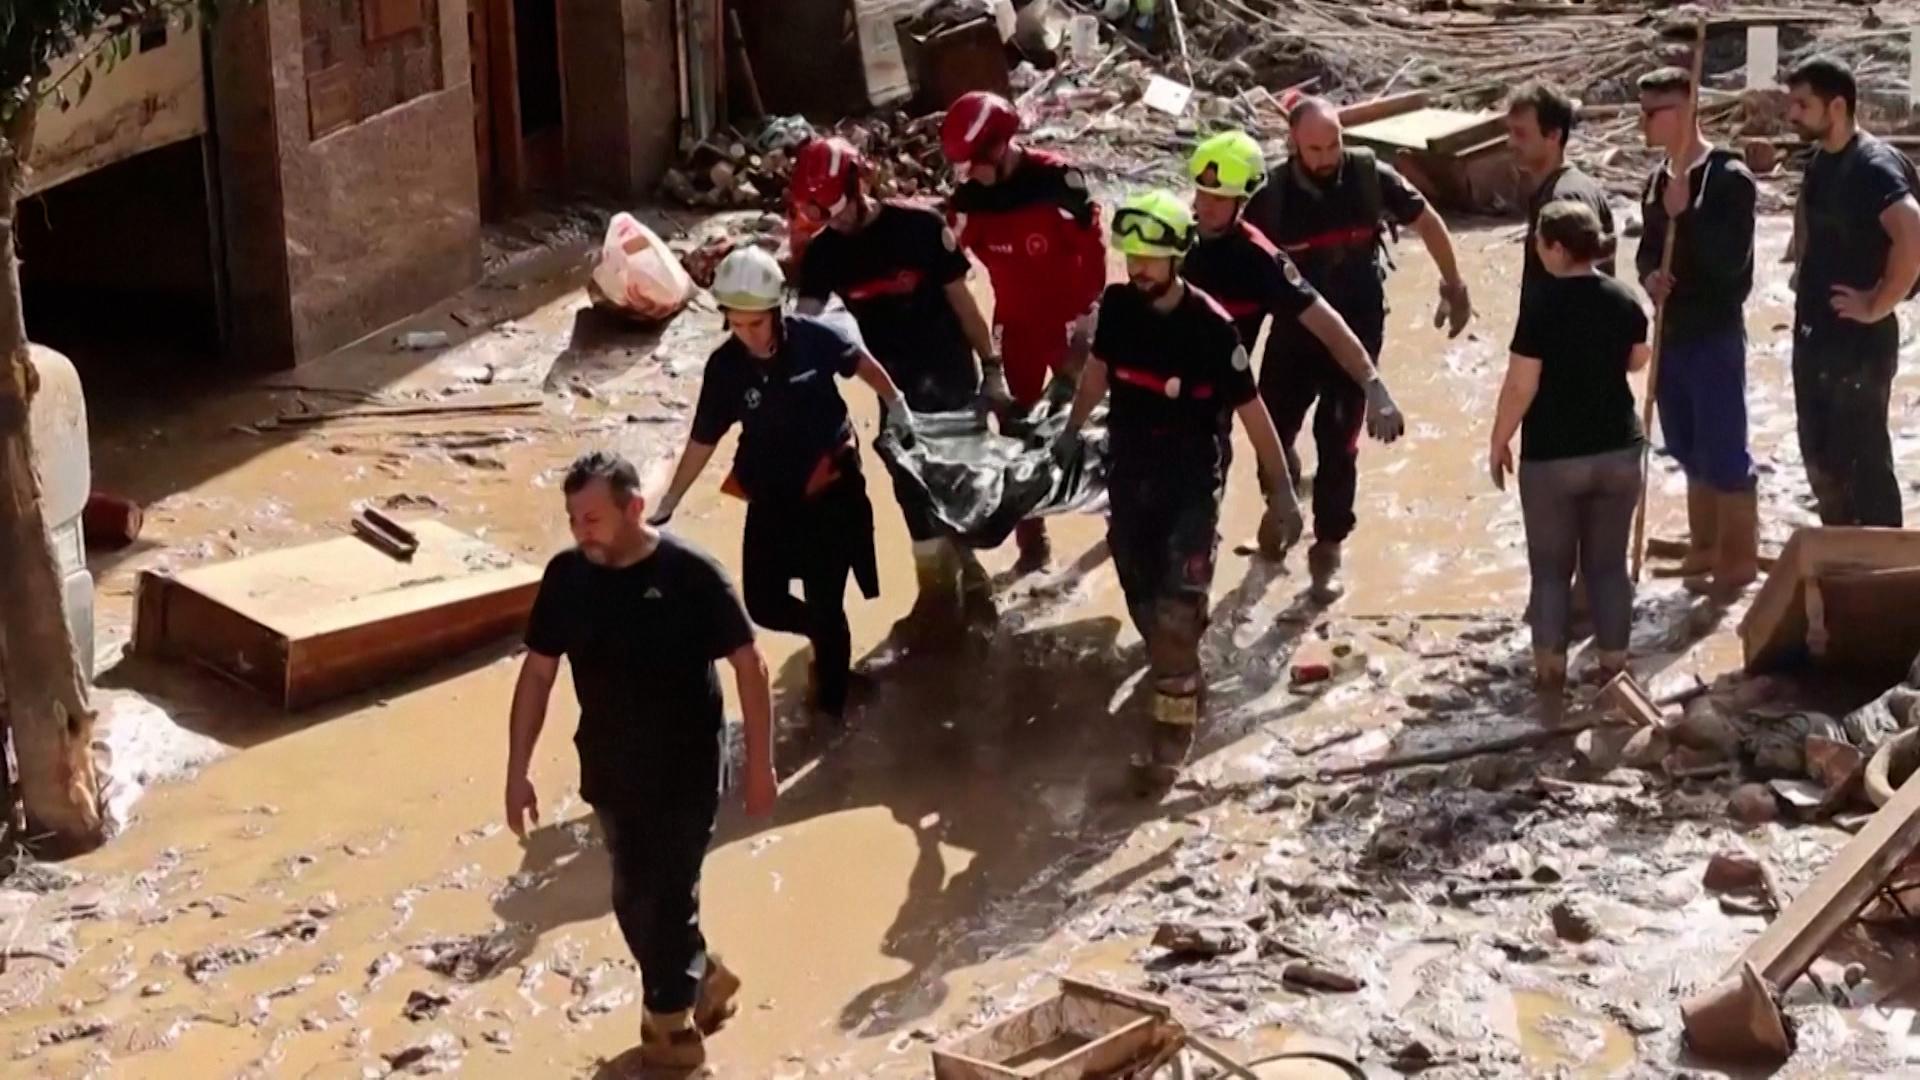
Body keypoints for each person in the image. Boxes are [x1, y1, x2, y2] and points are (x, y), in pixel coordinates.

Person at [506, 451, 775, 1068]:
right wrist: (517, 770)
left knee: (671, 893)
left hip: (687, 766)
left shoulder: (691, 575)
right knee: (632, 898)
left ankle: (670, 1033)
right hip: (610, 764)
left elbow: (750, 666)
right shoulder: (566, 578)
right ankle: (704, 980)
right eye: (573, 519)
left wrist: (760, 765)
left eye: (593, 518)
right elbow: (538, 675)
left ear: (633, 508)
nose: (581, 532)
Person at [1054, 190, 1305, 784]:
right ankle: (1185, 670)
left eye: (1149, 258)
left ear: (1177, 257)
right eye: (1131, 257)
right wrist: (1068, 431)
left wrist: (1282, 493)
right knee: (1147, 606)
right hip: (1129, 478)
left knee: (1172, 616)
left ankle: (1170, 743)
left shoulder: (1212, 328)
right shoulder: (1118, 307)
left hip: (1190, 484)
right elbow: (1097, 374)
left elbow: (1254, 414)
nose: (1138, 268)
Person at [649, 247, 914, 720]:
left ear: (776, 310)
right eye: (736, 324)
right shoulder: (725, 368)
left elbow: (861, 363)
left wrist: (897, 404)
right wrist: (670, 501)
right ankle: (824, 637)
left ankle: (832, 708)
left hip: (830, 491)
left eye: (756, 323)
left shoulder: (815, 338)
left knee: (825, 599)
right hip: (771, 495)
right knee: (763, 603)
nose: (747, 335)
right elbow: (703, 439)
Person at [790, 136, 999, 636]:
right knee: (907, 480)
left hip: (949, 372)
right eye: (824, 215)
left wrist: (993, 368)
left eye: (839, 208)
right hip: (894, 385)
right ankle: (937, 590)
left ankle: (972, 579)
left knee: (954, 478)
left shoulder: (920, 227)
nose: (838, 222)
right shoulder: (824, 253)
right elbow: (805, 327)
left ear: (860, 183)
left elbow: (963, 301)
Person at [1198, 125, 1416, 601]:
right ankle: (1281, 501)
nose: (1205, 207)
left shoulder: (1262, 257)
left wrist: (1374, 384)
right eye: (1201, 195)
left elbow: (1327, 322)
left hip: (1351, 330)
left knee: (1338, 443)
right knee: (1272, 439)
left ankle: (1327, 551)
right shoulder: (1181, 244)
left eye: (1219, 198)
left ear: (1241, 202)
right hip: (1276, 350)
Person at [943, 90, 1108, 572]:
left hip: (1072, 324)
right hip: (1013, 327)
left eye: (974, 164)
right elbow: (947, 265)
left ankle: (1120, 520)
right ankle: (1032, 545)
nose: (968, 174)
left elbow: (1094, 258)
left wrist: (1088, 334)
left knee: (1098, 422)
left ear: (999, 147)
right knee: (1014, 432)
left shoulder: (1057, 182)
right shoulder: (969, 199)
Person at [1489, 202, 1650, 689]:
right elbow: (1637, 360)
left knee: (1551, 572)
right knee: (1609, 568)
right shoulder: (1624, 298)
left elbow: (1521, 384)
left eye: (1539, 242)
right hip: (1618, 450)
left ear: (1556, 248)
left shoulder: (1541, 305)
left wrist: (1499, 440)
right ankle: (1615, 670)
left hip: (1554, 456)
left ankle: (1550, 678)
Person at [1634, 66, 1760, 599]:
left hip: (1714, 331)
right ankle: (1704, 546)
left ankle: (1738, 558)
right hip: (1672, 331)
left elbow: (1732, 264)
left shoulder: (1729, 179)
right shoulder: (1656, 180)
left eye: (1652, 113)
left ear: (1685, 111)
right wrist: (1649, 276)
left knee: (1723, 443)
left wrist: (1687, 216)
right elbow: (1646, 250)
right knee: (1684, 441)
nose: (1642, 123)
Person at [1785, 55, 1920, 527]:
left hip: (1858, 343)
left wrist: (1879, 303)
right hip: (1817, 334)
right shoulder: (1822, 161)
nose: (1792, 115)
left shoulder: (1873, 165)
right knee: (1823, 461)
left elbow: (1911, 230)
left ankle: (1884, 564)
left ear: (1837, 106)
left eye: (1803, 105)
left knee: (1864, 466)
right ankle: (1842, 558)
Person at [1507, 81, 1617, 306]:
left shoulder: (1564, 199)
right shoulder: (1556, 190)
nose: (1510, 142)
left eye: (1521, 133)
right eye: (1510, 132)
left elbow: (1580, 295)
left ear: (1553, 136)